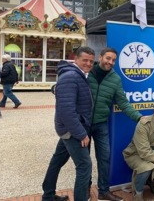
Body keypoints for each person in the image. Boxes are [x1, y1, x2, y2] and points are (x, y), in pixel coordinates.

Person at [87, 47, 142, 201]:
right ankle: (85, 187)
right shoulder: (87, 73)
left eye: (113, 60)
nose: (110, 62)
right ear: (101, 57)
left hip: (101, 124)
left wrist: (139, 118)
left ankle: (103, 191)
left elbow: (123, 103)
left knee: (104, 157)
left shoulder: (115, 78)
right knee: (84, 160)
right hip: (82, 124)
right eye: (108, 58)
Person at [42, 46, 95, 201]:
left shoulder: (77, 75)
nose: (88, 64)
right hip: (72, 130)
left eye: (91, 61)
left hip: (69, 128)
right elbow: (66, 111)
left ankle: (48, 195)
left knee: (57, 161)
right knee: (85, 166)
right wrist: (81, 133)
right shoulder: (71, 77)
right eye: (85, 60)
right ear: (76, 59)